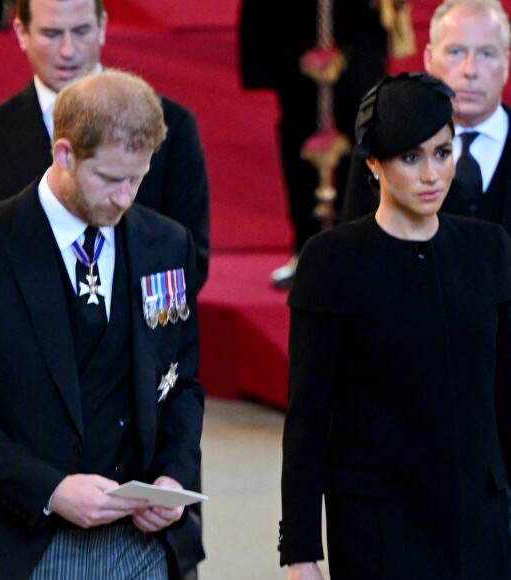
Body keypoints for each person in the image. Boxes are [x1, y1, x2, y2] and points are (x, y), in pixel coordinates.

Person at [0, 69, 205, 580]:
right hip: (23, 544)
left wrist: (174, 476)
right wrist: (49, 490)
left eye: (137, 178)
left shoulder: (167, 244)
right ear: (63, 154)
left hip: (143, 546)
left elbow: (182, 383)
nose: (125, 198)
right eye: (109, 179)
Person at [279, 72, 511, 579]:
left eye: (443, 153)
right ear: (373, 165)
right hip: (379, 533)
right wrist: (300, 551)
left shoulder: (488, 249)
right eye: (411, 157)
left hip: (481, 524)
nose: (432, 174)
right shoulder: (333, 260)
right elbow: (307, 419)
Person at [0, 0, 210, 295]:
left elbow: (188, 257)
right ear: (22, 32)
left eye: (81, 31)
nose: (67, 51)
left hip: (136, 334)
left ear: (102, 28)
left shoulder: (171, 125)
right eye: (51, 33)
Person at [239, 0, 387, 287]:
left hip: (355, 15)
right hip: (293, 13)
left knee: (362, 116)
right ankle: (306, 246)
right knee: (299, 118)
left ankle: (356, 243)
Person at [341, 0, 511, 233]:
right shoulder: (380, 147)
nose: (470, 70)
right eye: (456, 52)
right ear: (429, 59)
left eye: (486, 54)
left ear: (506, 63)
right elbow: (353, 254)